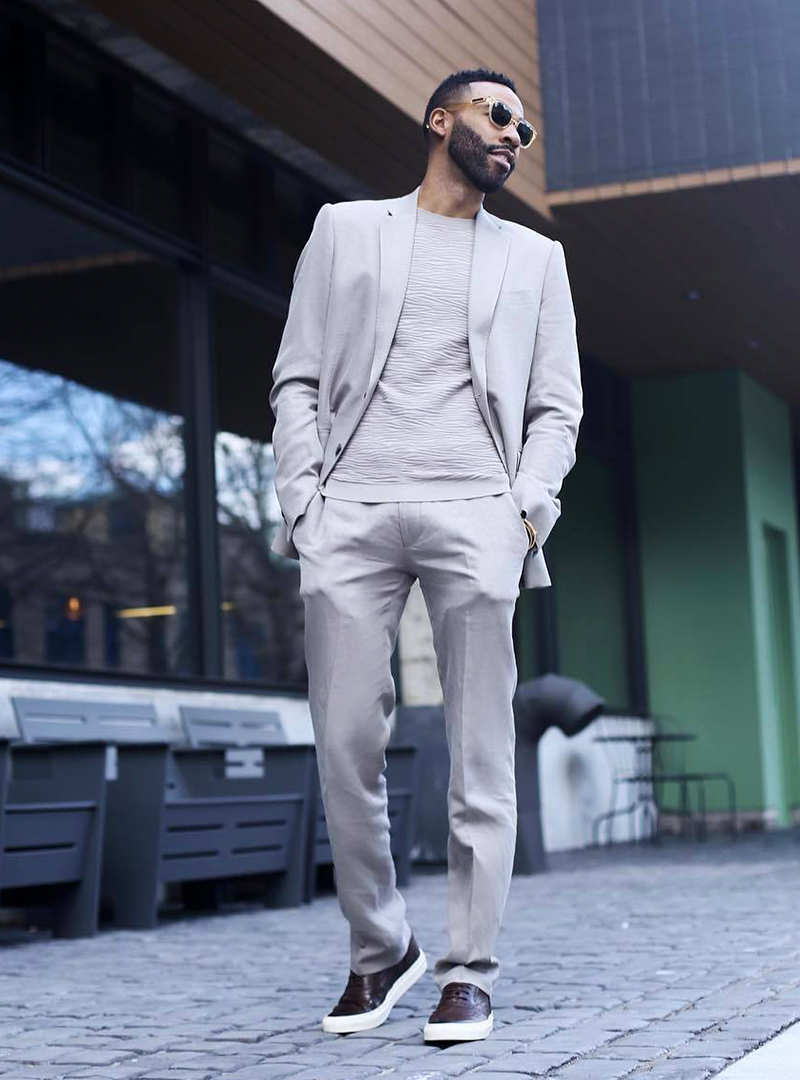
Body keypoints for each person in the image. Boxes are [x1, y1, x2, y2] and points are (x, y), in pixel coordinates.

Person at [269, 67, 582, 1043]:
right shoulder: (346, 228)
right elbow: (299, 378)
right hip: (350, 513)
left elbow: (553, 407)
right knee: (344, 745)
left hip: (475, 511)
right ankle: (380, 950)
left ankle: (467, 967)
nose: (511, 135)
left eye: (522, 130)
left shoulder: (535, 258)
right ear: (439, 119)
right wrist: (303, 508)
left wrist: (523, 511)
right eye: (497, 116)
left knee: (477, 756)